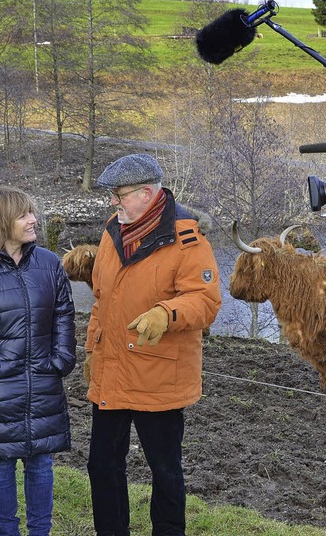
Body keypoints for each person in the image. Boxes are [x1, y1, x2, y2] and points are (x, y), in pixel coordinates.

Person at [84, 153, 221, 536]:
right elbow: (101, 298)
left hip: (159, 376)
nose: (114, 201)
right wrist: (92, 349)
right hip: (111, 372)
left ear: (146, 194)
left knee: (165, 471)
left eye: (120, 194)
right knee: (102, 466)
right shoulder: (113, 230)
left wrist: (167, 313)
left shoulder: (187, 238)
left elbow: (205, 301)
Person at [0, 186, 76, 536]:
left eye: (31, 212)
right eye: (23, 215)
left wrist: (61, 359)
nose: (33, 219)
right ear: (1, 222)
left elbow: (64, 314)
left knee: (41, 464)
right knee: (1, 466)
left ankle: (41, 532)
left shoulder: (49, 263)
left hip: (43, 381)